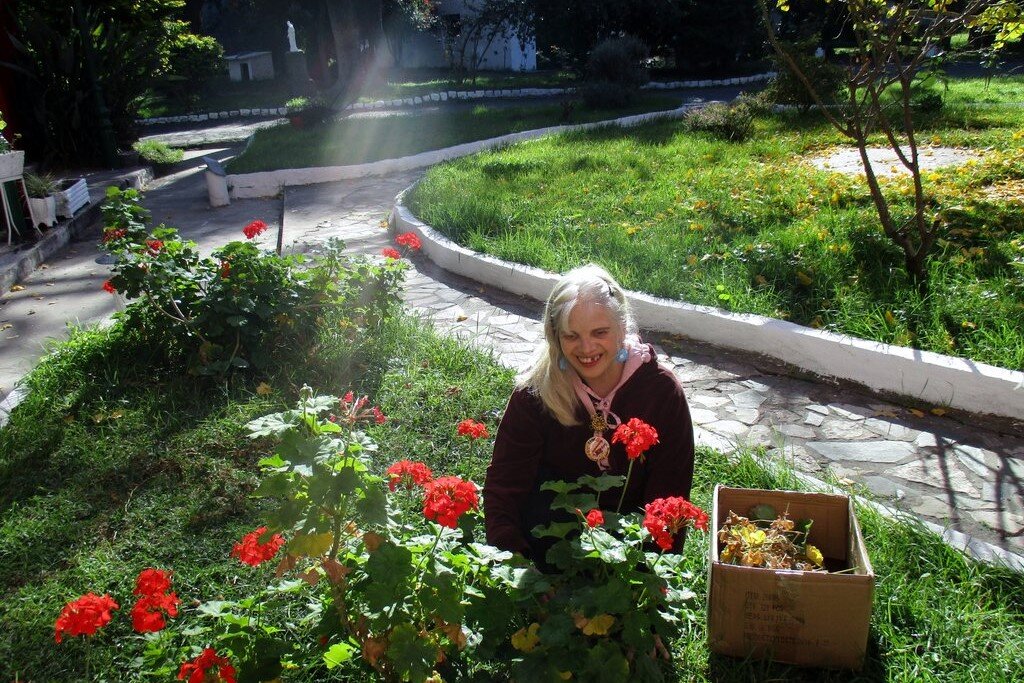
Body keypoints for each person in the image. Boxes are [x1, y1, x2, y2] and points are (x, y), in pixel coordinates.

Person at [484, 263, 695, 562]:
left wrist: (650, 578)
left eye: (600, 332)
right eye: (571, 336)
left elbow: (669, 497)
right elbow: (503, 488)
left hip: (628, 558)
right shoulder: (535, 392)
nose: (586, 348)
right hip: (546, 556)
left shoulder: (661, 393)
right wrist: (518, 567)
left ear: (622, 326)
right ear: (555, 336)